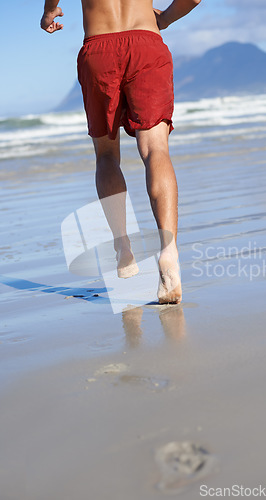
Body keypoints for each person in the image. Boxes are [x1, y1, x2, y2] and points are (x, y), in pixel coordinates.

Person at [40, 0, 202, 304]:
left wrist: (49, 12)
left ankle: (124, 250)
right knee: (155, 150)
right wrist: (164, 18)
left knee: (106, 157)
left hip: (99, 48)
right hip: (146, 43)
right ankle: (168, 252)